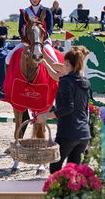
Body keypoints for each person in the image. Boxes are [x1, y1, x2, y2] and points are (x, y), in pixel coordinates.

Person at [36, 46, 91, 174]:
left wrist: (45, 116)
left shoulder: (66, 82)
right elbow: (80, 107)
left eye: (63, 63)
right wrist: (45, 64)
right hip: (83, 134)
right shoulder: (85, 81)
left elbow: (68, 108)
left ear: (66, 63)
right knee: (72, 171)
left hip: (68, 132)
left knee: (55, 169)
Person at [5, 0, 56, 68]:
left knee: (54, 60)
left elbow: (50, 29)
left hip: (43, 41)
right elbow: (20, 28)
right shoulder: (25, 11)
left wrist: (42, 39)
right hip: (28, 41)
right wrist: (25, 39)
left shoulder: (47, 11)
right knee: (8, 58)